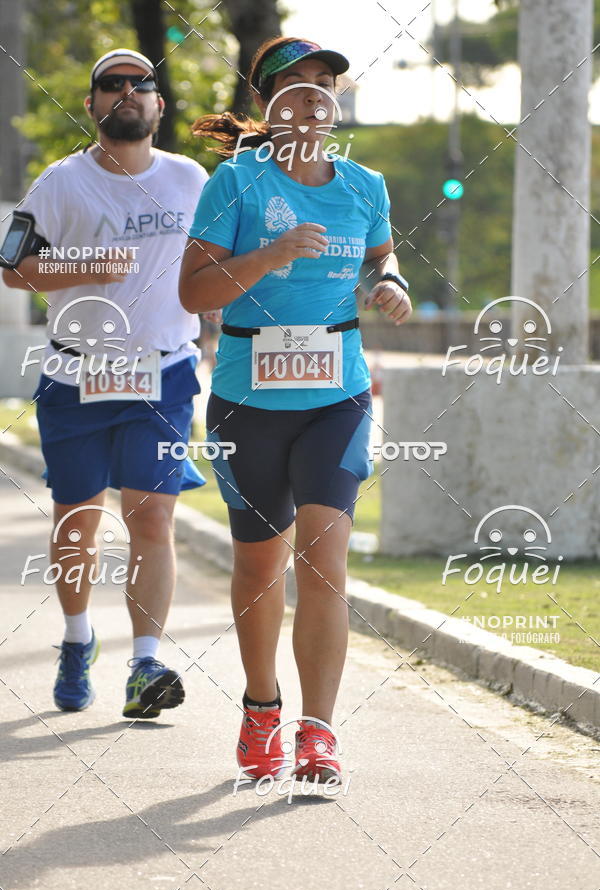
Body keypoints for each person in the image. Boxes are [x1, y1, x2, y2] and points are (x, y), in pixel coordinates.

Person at [179, 37, 412, 781]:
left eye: (324, 84)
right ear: (266, 105)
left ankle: (318, 731)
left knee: (324, 559)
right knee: (259, 568)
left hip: (336, 395)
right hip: (248, 398)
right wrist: (271, 254)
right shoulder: (234, 184)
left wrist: (390, 282)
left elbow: (382, 254)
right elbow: (194, 293)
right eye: (296, 84)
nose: (313, 94)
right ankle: (261, 708)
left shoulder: (365, 185)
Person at [1, 49, 211, 719]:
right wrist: (83, 261)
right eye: (112, 85)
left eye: (140, 84)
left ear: (159, 105)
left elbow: (215, 264)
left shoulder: (190, 179)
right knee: (77, 523)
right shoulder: (60, 183)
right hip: (77, 375)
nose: (127, 93)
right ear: (92, 105)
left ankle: (145, 662)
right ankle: (76, 637)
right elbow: (11, 266)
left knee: (152, 515)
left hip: (164, 375)